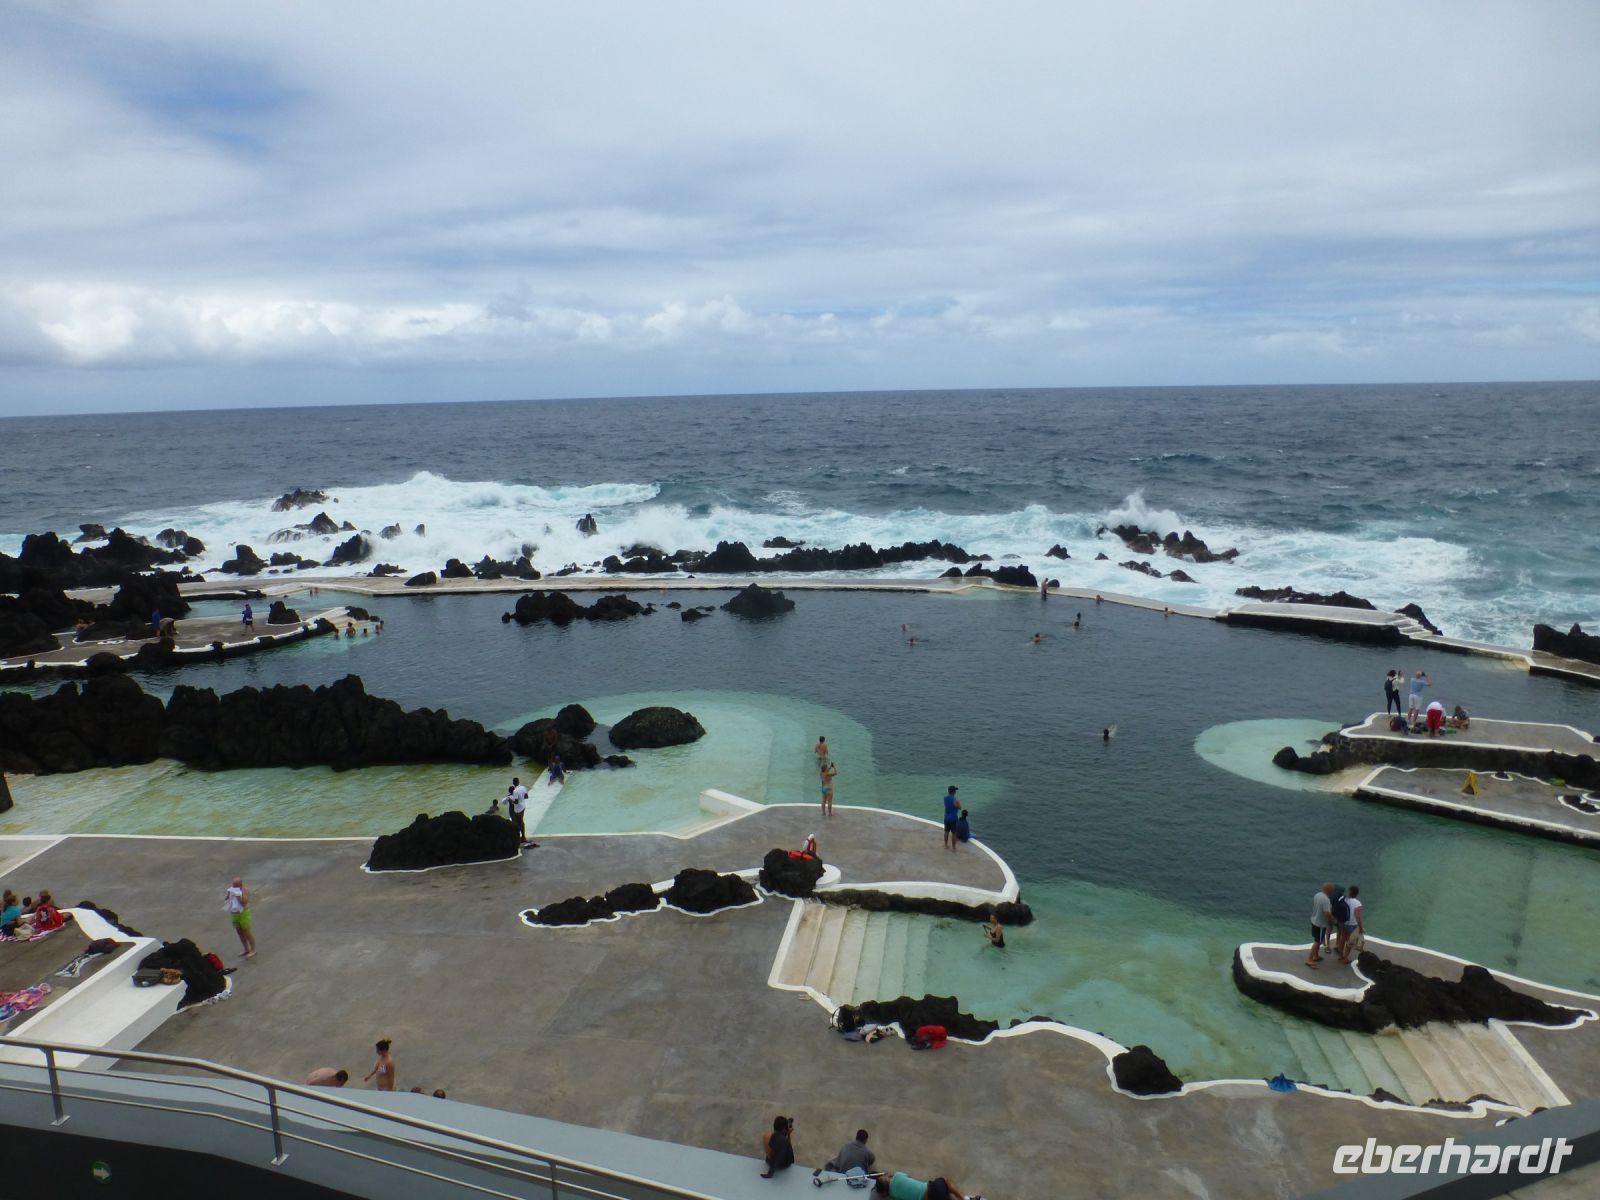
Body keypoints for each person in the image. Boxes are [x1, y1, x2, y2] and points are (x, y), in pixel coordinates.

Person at [224, 877, 256, 959]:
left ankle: (253, 950)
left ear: (240, 885)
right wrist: (228, 894)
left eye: (236, 886)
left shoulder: (245, 890)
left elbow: (243, 903)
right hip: (235, 914)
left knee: (247, 932)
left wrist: (238, 896)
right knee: (239, 932)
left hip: (243, 913)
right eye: (233, 885)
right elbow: (226, 900)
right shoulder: (232, 890)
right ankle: (246, 948)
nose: (234, 887)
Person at [1306, 882, 1335, 968]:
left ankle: (1315, 956)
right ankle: (1309, 959)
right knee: (1317, 942)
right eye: (1332, 890)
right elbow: (1327, 913)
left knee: (1317, 939)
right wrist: (1332, 920)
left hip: (1314, 920)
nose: (1333, 892)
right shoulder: (1326, 900)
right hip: (1320, 924)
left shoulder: (1317, 895)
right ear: (1329, 890)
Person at [1339, 885, 1365, 964]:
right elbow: (1357, 917)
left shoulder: (1343, 899)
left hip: (1343, 923)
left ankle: (1341, 955)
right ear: (1357, 893)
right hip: (1352, 925)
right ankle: (1346, 958)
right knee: (1350, 942)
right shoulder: (1357, 903)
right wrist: (1360, 927)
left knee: (1343, 938)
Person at [507, 778, 528, 844]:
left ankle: (517, 839)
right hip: (523, 807)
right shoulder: (523, 787)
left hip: (517, 809)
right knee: (521, 821)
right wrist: (520, 798)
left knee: (515, 823)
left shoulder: (515, 791)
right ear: (519, 782)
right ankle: (523, 838)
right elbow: (526, 797)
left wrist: (510, 800)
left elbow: (516, 802)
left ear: (513, 783)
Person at [942, 785, 960, 851]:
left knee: (946, 831)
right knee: (954, 833)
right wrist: (959, 804)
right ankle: (953, 848)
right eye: (955, 790)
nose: (956, 791)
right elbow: (959, 807)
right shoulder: (955, 800)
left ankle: (945, 845)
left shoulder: (945, 798)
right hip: (953, 819)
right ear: (953, 792)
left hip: (946, 817)